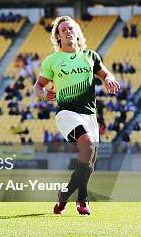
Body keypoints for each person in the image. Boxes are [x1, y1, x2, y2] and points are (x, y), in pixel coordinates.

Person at [34, 16, 120, 215]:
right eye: (63, 30)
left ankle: (65, 194)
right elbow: (38, 85)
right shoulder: (53, 60)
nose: (68, 32)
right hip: (67, 112)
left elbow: (106, 74)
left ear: (78, 32)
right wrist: (43, 94)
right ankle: (83, 199)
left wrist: (110, 79)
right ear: (58, 36)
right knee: (87, 145)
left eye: (71, 28)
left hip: (90, 114)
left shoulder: (90, 56)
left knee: (89, 162)